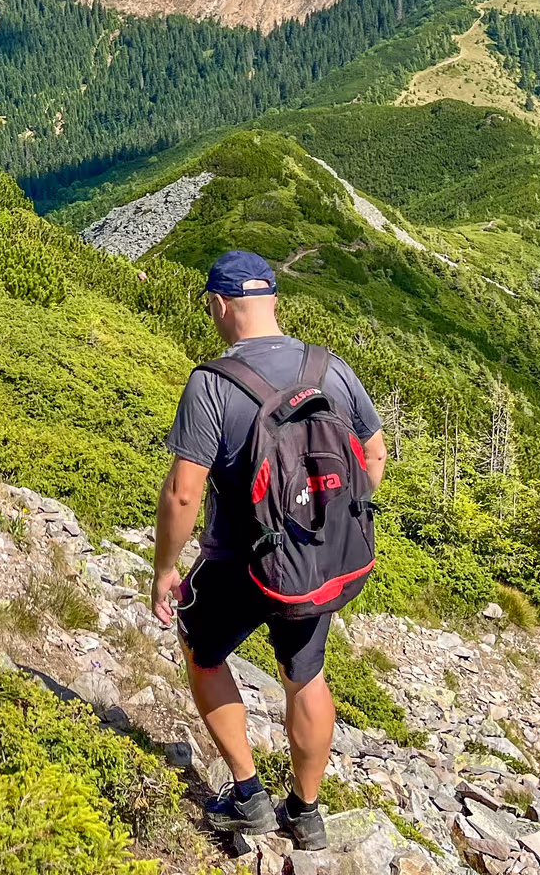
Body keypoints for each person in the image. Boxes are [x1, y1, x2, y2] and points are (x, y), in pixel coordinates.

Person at [151, 250, 387, 852]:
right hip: (308, 564)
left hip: (236, 560)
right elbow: (374, 457)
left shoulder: (212, 383)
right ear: (274, 300)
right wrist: (320, 521)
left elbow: (183, 493)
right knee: (305, 677)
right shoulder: (330, 369)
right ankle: (306, 813)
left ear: (219, 305)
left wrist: (166, 569)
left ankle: (249, 793)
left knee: (201, 649)